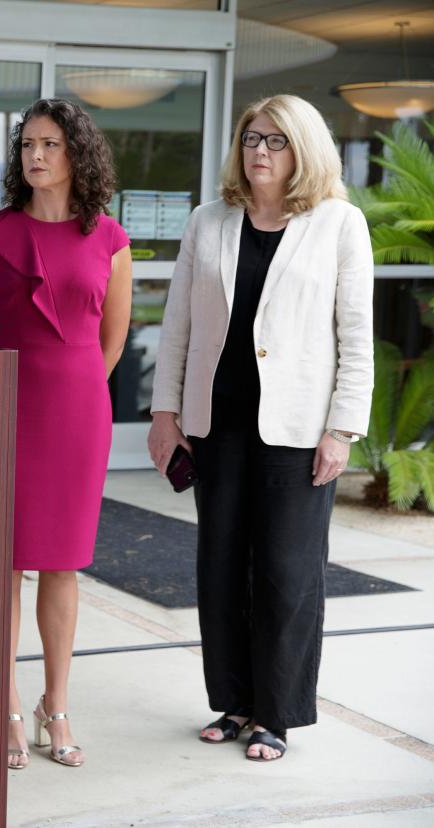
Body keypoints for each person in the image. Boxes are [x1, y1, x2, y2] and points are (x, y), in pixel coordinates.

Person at [147, 94, 373, 762]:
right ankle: (235, 701)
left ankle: (277, 712)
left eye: (275, 141)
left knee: (285, 570)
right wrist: (165, 415)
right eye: (251, 139)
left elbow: (356, 338)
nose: (259, 152)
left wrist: (343, 429)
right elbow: (179, 327)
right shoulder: (207, 221)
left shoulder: (338, 224)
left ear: (302, 149)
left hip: (299, 428)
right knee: (220, 566)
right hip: (217, 424)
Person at [0, 98, 133, 770]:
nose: (35, 155)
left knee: (63, 561)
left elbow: (112, 340)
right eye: (27, 144)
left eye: (50, 144)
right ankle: (2, 705)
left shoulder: (111, 239)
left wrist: (75, 389)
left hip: (79, 415)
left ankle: (54, 707)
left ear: (77, 154)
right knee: (4, 563)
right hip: (6, 411)